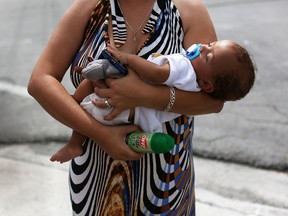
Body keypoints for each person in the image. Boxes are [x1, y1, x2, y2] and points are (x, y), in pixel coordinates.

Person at [28, 0, 225, 215]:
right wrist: (100, 134)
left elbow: (214, 100)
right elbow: (40, 81)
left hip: (164, 183)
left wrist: (144, 95)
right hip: (93, 179)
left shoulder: (189, 11)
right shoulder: (90, 6)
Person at [50, 40, 255, 163]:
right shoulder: (197, 85)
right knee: (92, 96)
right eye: (210, 45)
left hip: (124, 104)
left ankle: (73, 118)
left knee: (90, 88)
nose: (202, 48)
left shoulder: (185, 67)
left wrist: (128, 58)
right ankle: (76, 141)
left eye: (208, 55)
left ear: (208, 84)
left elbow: (157, 74)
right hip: (136, 117)